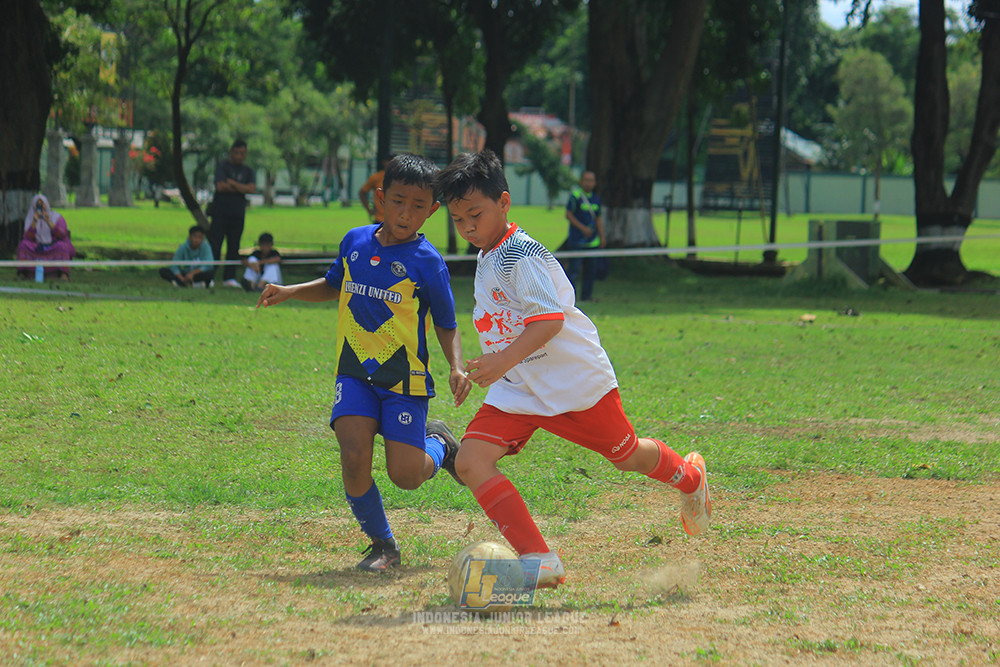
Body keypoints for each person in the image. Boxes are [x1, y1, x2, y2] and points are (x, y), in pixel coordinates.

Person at [435, 150, 711, 589]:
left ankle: (691, 476)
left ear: (503, 203)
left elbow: (548, 319)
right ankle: (539, 558)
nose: (467, 227)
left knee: (626, 456)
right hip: (521, 388)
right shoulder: (489, 254)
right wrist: (486, 368)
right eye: (457, 220)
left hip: (573, 384)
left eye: (475, 214)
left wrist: (501, 360)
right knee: (470, 460)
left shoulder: (517, 255)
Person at [256, 154, 472, 572]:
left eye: (417, 205)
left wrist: (456, 366)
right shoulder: (355, 240)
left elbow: (446, 323)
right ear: (380, 199)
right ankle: (382, 545)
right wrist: (291, 290)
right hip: (354, 370)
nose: (406, 213)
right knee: (353, 456)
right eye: (397, 201)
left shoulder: (427, 261)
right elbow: (337, 284)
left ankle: (440, 445)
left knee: (405, 475)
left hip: (402, 379)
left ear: (432, 209)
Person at [210, 139, 256, 287]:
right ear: (231, 152)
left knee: (234, 246)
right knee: (215, 245)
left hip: (238, 214)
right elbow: (220, 186)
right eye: (236, 152)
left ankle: (229, 278)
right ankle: (209, 275)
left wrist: (233, 184)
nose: (239, 156)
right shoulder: (222, 166)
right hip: (220, 212)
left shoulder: (248, 171)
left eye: (242, 153)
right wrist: (241, 188)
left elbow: (251, 189)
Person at [564, 170, 604, 302]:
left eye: (591, 180)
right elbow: (568, 214)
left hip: (592, 242)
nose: (589, 183)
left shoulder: (596, 199)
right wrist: (583, 228)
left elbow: (598, 218)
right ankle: (570, 300)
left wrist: (602, 236)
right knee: (574, 271)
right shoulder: (575, 196)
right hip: (577, 241)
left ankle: (587, 296)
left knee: (591, 271)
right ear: (581, 181)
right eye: (586, 180)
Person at [16, 194, 76, 281]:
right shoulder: (30, 218)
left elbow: (62, 235)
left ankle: (64, 275)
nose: (41, 206)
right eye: (38, 204)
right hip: (36, 246)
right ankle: (23, 274)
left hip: (52, 245)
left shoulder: (56, 217)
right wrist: (35, 222)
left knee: (62, 247)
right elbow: (27, 237)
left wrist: (49, 222)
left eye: (42, 204)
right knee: (23, 245)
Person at [358, 154, 394, 223]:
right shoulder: (376, 177)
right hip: (379, 219)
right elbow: (362, 192)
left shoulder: (401, 179)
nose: (390, 164)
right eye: (388, 161)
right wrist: (369, 210)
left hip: (395, 220)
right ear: (384, 163)